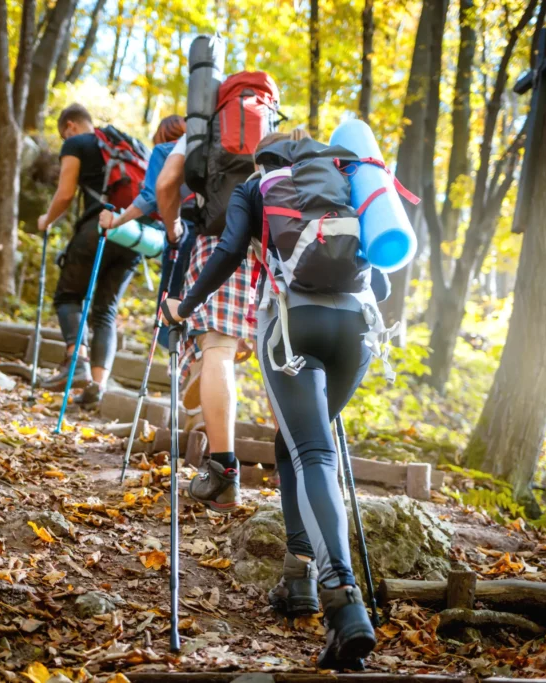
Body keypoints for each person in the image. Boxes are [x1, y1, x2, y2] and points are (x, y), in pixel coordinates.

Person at [161, 132, 390, 669]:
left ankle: (343, 599)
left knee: (312, 452)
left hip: (292, 324)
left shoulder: (258, 184)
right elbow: (380, 272)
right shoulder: (348, 181)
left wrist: (186, 305)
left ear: (266, 161)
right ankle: (299, 577)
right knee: (299, 444)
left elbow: (228, 251)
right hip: (356, 330)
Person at [155, 135, 257, 512]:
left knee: (218, 347)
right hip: (272, 248)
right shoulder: (272, 127)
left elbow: (166, 183)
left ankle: (223, 472)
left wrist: (173, 227)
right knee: (280, 359)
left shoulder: (201, 130)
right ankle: (298, 475)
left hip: (217, 242)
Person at [36, 104, 140, 406]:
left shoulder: (77, 142)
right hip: (133, 234)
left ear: (70, 126)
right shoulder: (128, 146)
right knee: (105, 310)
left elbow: (66, 193)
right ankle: (97, 386)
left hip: (99, 227)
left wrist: (47, 219)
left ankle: (75, 360)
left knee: (68, 296)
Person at [98, 115, 194, 320]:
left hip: (183, 236)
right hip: (218, 236)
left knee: (171, 314)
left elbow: (150, 197)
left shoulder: (164, 152)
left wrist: (117, 221)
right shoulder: (207, 149)